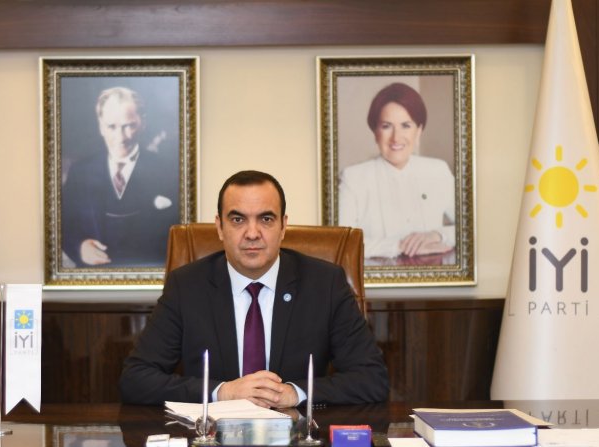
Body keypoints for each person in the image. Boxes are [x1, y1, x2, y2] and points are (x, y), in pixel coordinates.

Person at [119, 170, 389, 407]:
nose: (252, 233)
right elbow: (136, 379)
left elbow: (371, 378)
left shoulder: (324, 283)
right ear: (220, 227)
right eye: (238, 220)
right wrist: (223, 392)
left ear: (283, 226)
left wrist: (294, 393)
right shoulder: (186, 286)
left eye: (266, 219)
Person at [61, 86, 179, 267]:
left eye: (129, 126)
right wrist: (80, 247)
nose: (121, 137)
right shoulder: (80, 172)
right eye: (111, 127)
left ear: (142, 123)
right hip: (93, 278)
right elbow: (63, 223)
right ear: (101, 126)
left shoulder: (168, 171)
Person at [339, 82, 456, 259]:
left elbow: (472, 228)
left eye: (406, 126)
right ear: (375, 132)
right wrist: (399, 246)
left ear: (419, 131)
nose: (396, 137)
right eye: (386, 126)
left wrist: (438, 235)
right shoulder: (353, 178)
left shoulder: (438, 171)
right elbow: (342, 242)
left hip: (434, 273)